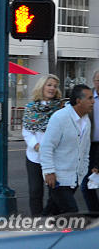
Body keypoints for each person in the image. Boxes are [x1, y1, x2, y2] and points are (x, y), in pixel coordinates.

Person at [40, 84, 96, 214]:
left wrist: (83, 171)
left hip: (74, 178)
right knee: (71, 212)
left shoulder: (86, 121)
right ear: (78, 101)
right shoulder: (60, 117)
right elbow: (47, 146)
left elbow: (85, 149)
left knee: (52, 213)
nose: (93, 102)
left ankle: (35, 233)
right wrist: (48, 171)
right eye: (89, 98)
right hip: (58, 177)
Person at [21, 74, 64, 216]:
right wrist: (37, 146)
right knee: (35, 191)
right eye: (49, 85)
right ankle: (37, 223)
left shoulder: (60, 108)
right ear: (42, 86)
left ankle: (50, 219)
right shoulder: (30, 108)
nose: (52, 88)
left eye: (54, 86)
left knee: (55, 193)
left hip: (54, 157)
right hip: (34, 157)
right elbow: (27, 131)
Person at [81, 70, 99, 212]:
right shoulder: (87, 96)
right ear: (93, 81)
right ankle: (94, 213)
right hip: (88, 146)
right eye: (98, 80)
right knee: (86, 183)